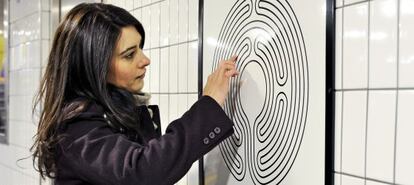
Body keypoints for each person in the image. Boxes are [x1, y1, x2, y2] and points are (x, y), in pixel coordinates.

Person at [30, 3, 239, 185]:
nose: (145, 60)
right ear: (94, 67)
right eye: (129, 55)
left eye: (140, 47)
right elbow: (141, 172)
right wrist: (209, 105)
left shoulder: (113, 110)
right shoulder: (75, 126)